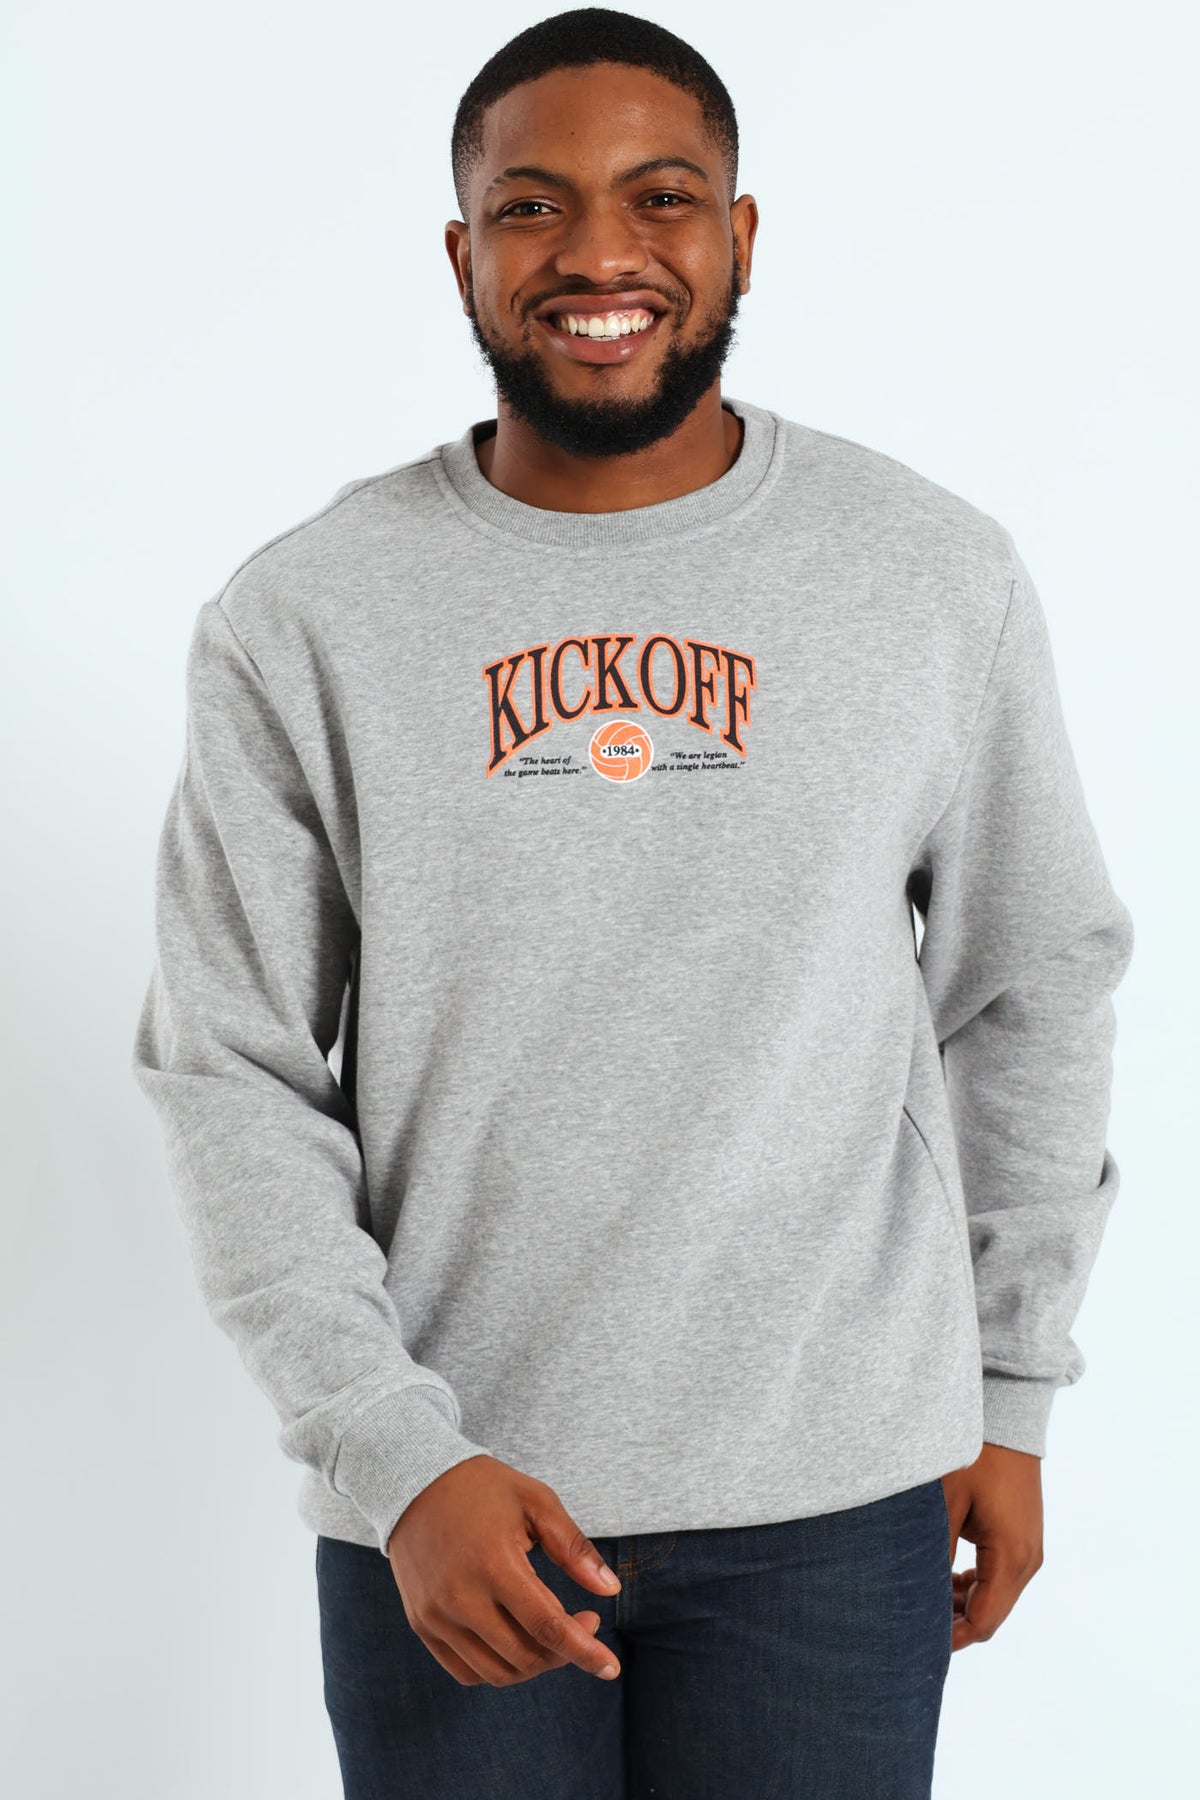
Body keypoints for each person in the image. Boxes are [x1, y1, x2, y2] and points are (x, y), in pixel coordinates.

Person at [130, 9, 1134, 1797]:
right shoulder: (308, 615)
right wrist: (397, 1458)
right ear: (462, 254)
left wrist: (1008, 1391)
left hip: (840, 1498)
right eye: (533, 206)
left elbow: (1031, 987)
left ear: (739, 236)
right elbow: (232, 1070)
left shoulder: (927, 575)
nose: (600, 253)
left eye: (660, 197)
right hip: (453, 1508)